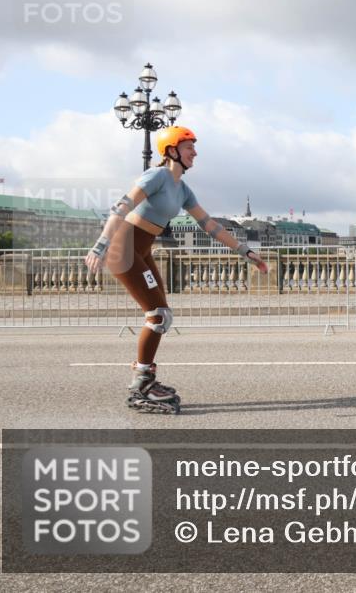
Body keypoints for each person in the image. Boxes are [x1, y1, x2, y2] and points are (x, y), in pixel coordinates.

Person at [85, 126, 268, 414]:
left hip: (142, 250)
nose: (195, 152)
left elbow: (211, 226)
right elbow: (120, 208)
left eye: (194, 147)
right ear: (171, 150)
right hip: (124, 247)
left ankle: (145, 379)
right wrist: (101, 245)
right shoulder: (156, 176)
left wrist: (246, 252)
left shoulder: (182, 189)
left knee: (162, 316)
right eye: (188, 147)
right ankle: (140, 385)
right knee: (157, 315)